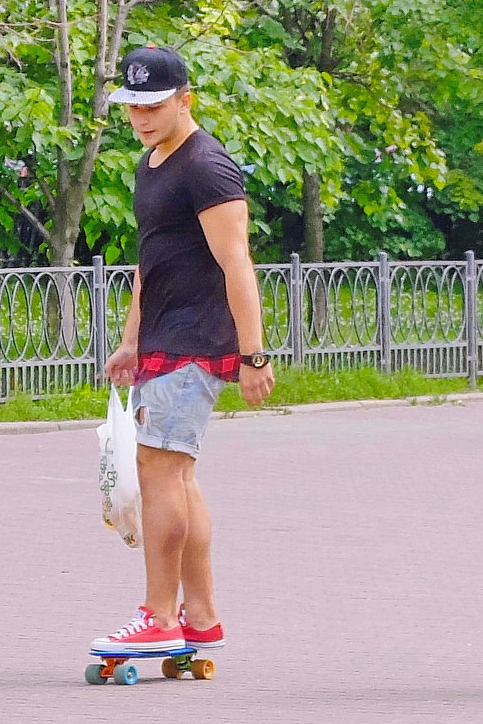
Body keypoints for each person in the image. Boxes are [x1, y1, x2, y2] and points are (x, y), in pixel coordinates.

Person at [92, 45, 275, 654]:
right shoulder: (152, 161)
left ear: (184, 100)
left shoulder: (207, 166)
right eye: (133, 105)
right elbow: (153, 259)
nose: (142, 116)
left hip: (197, 338)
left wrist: (253, 354)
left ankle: (158, 615)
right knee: (179, 475)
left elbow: (236, 261)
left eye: (155, 104)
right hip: (164, 336)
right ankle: (199, 614)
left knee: (159, 472)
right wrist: (131, 339)